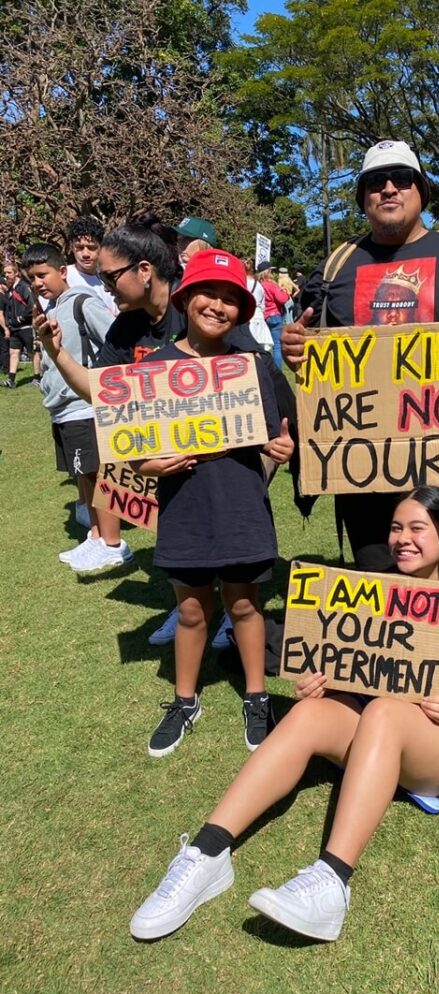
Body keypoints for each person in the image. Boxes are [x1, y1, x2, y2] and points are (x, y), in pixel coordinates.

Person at [129, 485, 439, 942]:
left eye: (418, 529)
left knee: (383, 711)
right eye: (396, 528)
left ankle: (332, 882)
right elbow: (361, 665)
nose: (402, 538)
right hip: (382, 728)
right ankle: (205, 855)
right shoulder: (372, 587)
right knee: (308, 713)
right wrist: (320, 682)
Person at [282, 139, 439, 573]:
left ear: (421, 190)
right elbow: (312, 350)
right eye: (375, 182)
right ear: (363, 196)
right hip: (361, 471)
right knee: (377, 586)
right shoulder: (337, 266)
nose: (388, 188)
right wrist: (296, 348)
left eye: (402, 179)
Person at [129, 249, 293, 757]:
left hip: (242, 503)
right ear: (185, 298)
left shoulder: (251, 366)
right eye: (209, 294)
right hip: (185, 509)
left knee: (245, 603)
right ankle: (184, 700)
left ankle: (257, 696)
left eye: (230, 299)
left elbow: (272, 437)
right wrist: (149, 467)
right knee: (193, 610)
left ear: (242, 312)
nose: (218, 306)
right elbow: (135, 454)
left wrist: (279, 452)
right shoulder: (153, 368)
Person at [22, 243, 130, 570]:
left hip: (85, 406)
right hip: (63, 409)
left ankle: (113, 544)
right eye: (32, 278)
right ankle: (96, 537)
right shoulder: (51, 311)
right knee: (83, 473)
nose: (38, 283)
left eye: (43, 274)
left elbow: (114, 337)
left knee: (98, 473)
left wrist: (100, 381)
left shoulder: (82, 302)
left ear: (62, 271)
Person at [65, 216, 119, 315]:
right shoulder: (64, 277)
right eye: (80, 248)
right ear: (72, 247)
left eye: (91, 248)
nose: (85, 254)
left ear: (101, 248)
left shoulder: (106, 281)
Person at [2, 261, 40, 388]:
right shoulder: (10, 290)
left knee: (32, 352)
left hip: (26, 327)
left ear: (16, 273)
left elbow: (31, 305)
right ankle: (11, 380)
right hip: (14, 329)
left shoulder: (23, 287)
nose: (6, 275)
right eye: (5, 273)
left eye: (9, 272)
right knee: (13, 352)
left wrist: (20, 318)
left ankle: (37, 378)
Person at [257, 262, 290, 368]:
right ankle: (277, 371)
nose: (273, 273)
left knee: (265, 345)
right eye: (271, 271)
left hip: (264, 316)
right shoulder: (271, 285)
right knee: (277, 346)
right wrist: (285, 292)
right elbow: (282, 299)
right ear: (268, 272)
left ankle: (264, 367)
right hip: (275, 315)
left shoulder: (259, 285)